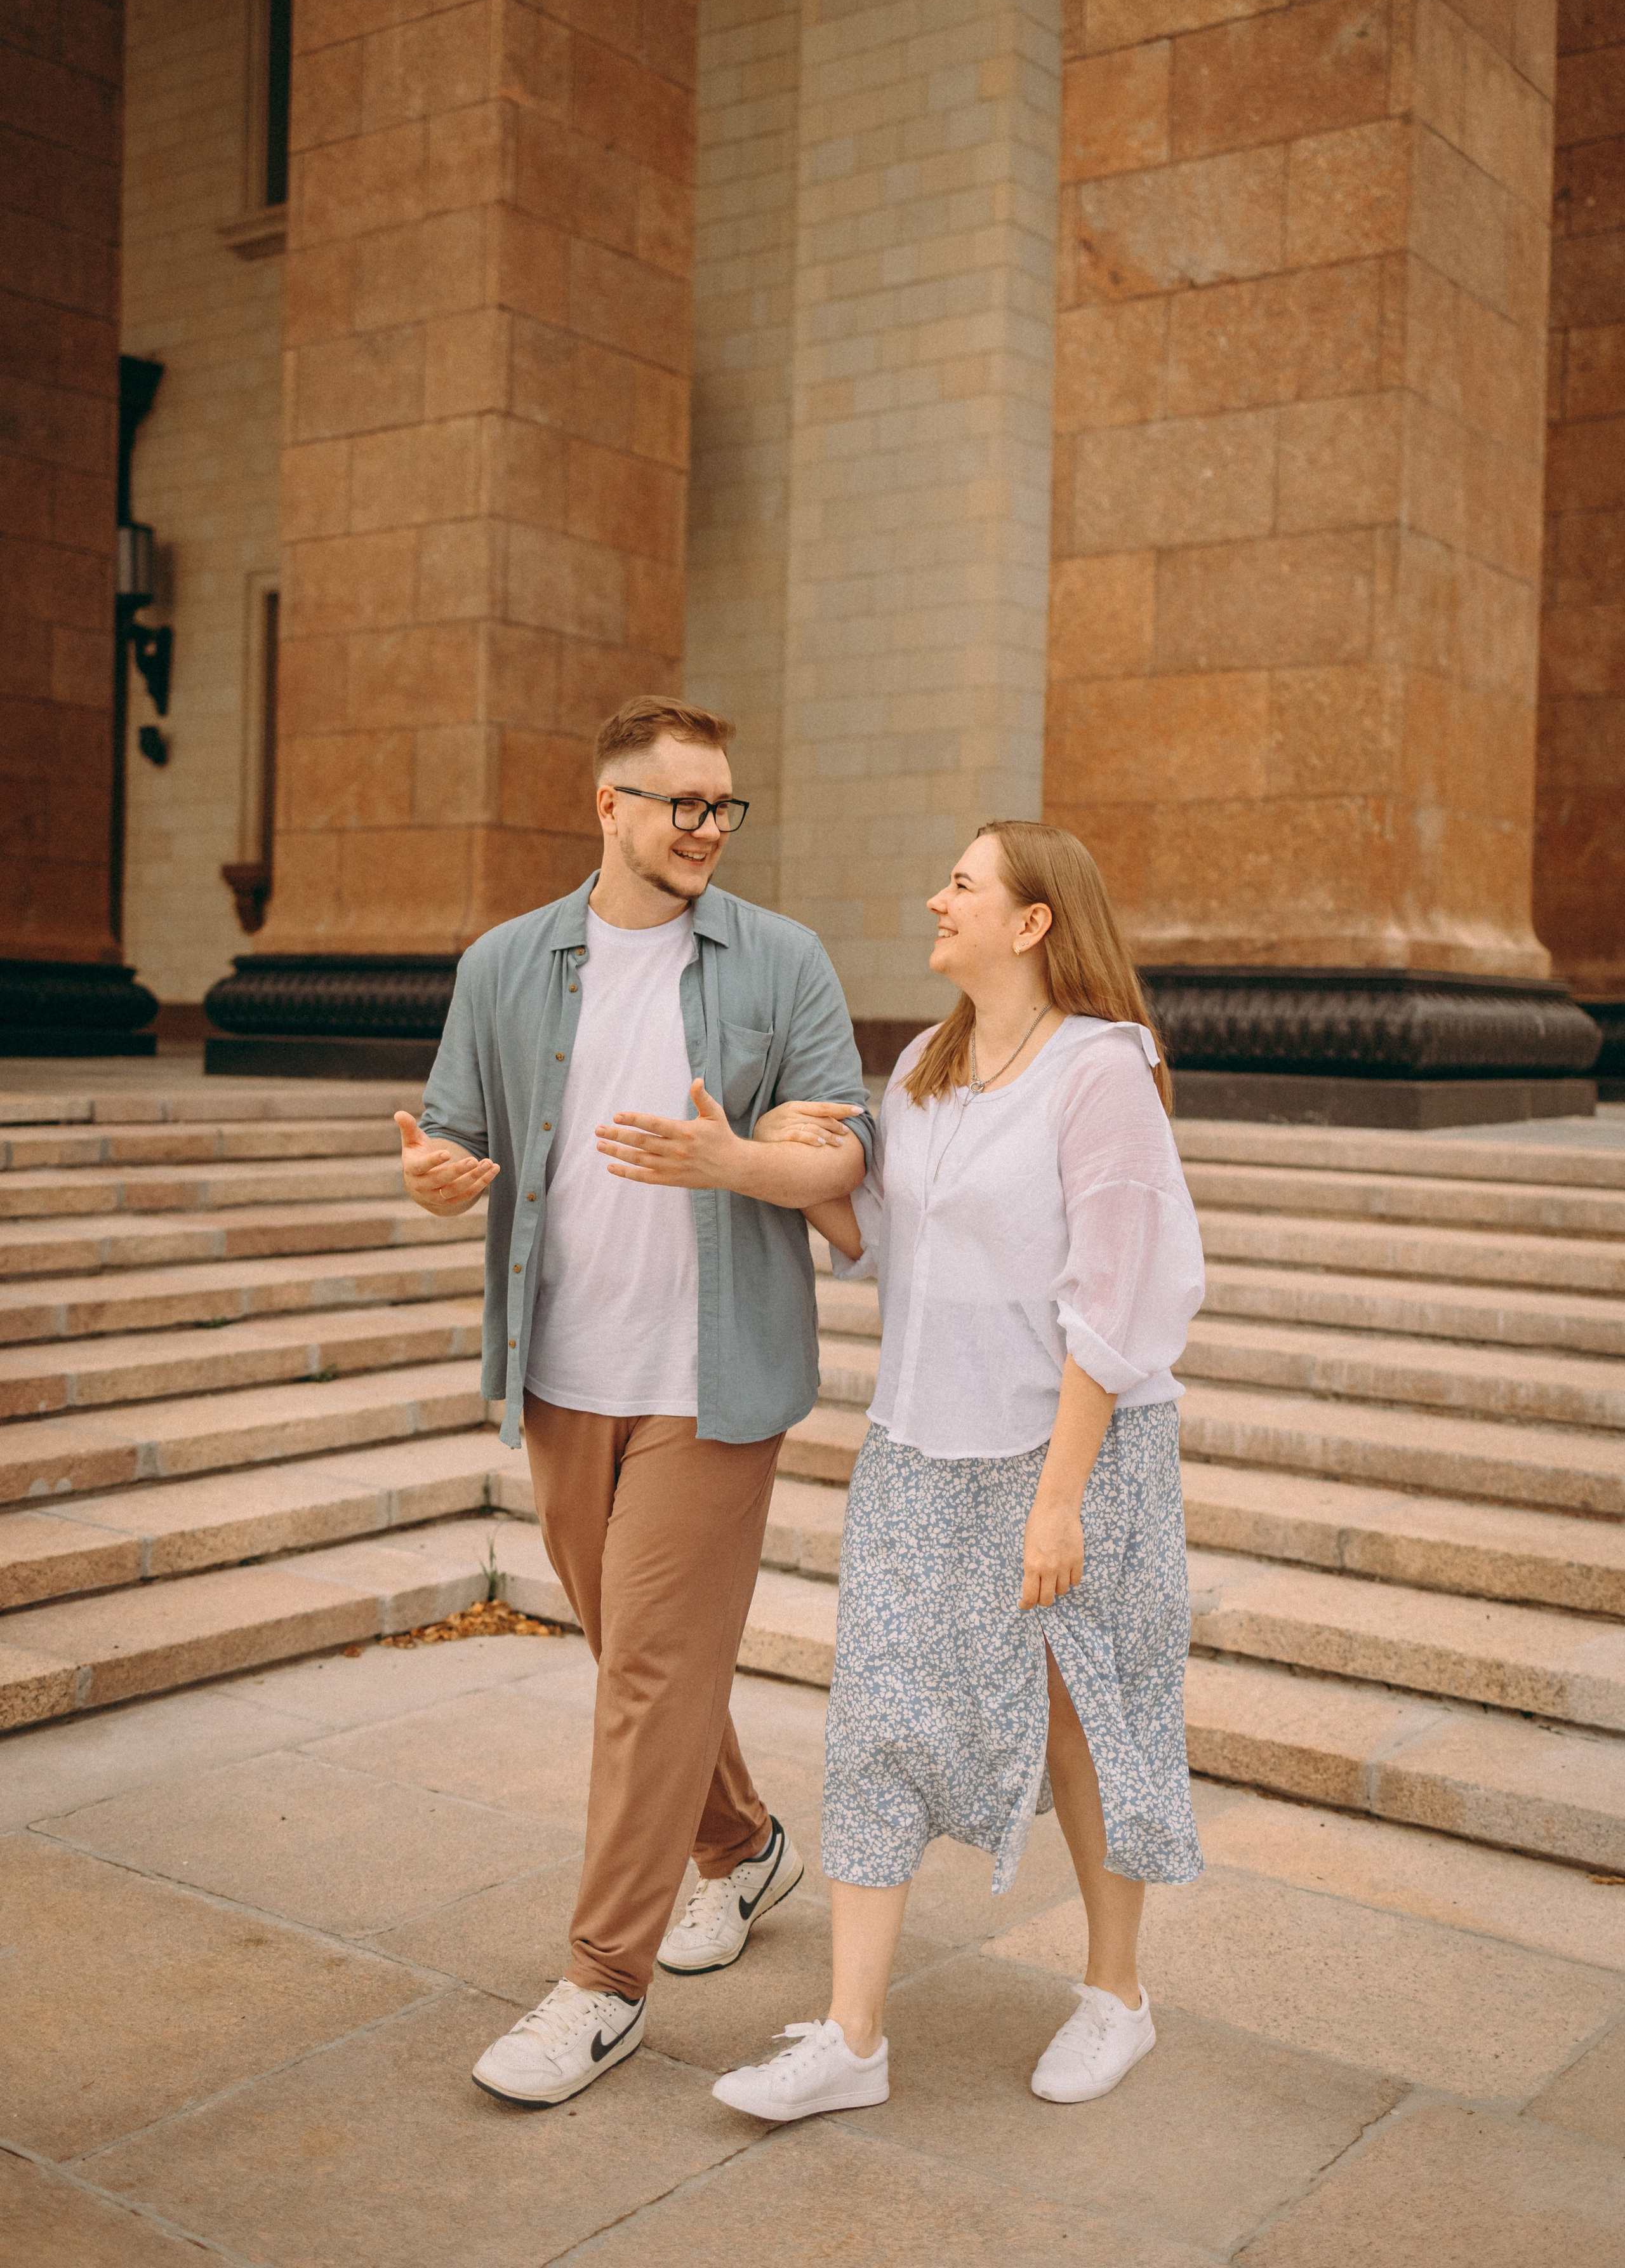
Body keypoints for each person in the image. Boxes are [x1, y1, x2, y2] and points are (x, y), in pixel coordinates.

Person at [393, 695, 873, 2110]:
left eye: (724, 807)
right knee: (633, 1655)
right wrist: (433, 1180)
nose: (707, 830)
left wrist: (743, 1160)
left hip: (710, 1376)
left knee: (650, 1669)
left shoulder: (780, 960)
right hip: (561, 1367)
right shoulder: (502, 965)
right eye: (682, 805)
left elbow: (841, 1152)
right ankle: (742, 1846)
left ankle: (601, 1984)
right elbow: (453, 1136)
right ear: (607, 806)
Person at [708, 819, 1206, 2123]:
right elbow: (872, 1233)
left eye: (963, 885)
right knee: (875, 1719)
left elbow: (1117, 1293)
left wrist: (1056, 1499)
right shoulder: (923, 1060)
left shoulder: (1102, 1070)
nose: (935, 898)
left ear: (1032, 921)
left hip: (1072, 1456)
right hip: (918, 1450)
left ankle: (1116, 1997)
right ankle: (849, 2037)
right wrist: (762, 1157)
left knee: (1085, 1719)